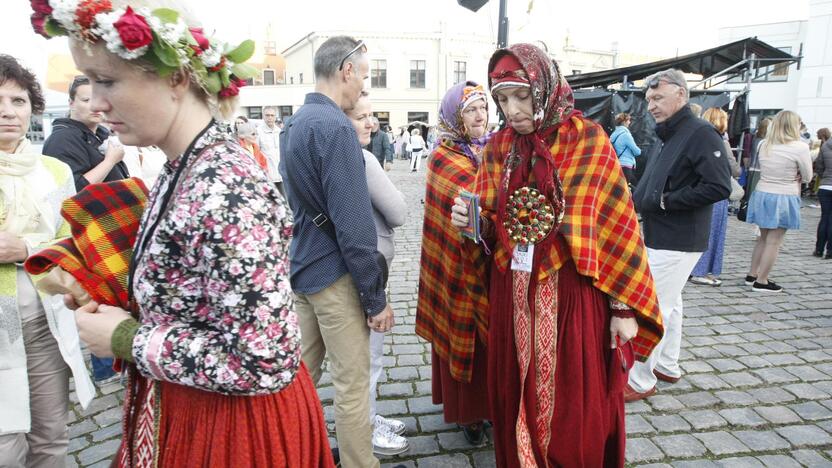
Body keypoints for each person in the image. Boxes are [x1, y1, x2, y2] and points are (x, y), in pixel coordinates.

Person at [30, 2, 334, 466]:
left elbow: (263, 358)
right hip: (191, 410)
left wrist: (127, 338)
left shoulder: (224, 184)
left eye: (107, 80)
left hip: (231, 432)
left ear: (176, 79)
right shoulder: (185, 164)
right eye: (90, 83)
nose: (95, 102)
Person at [451, 44, 664, 467]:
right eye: (502, 99)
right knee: (516, 395)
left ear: (544, 86)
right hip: (512, 295)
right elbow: (494, 225)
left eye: (521, 96)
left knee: (572, 404)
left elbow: (616, 227)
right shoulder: (498, 148)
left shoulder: (588, 140)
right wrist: (473, 222)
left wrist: (623, 308)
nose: (511, 110)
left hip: (574, 298)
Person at [279, 35, 395, 468]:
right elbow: (354, 225)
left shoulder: (294, 123)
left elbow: (297, 202)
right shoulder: (335, 128)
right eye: (362, 77)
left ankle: (290, 454)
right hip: (335, 276)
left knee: (299, 381)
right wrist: (375, 298)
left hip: (303, 267)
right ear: (346, 70)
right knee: (351, 385)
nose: (361, 88)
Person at [0, 53, 95, 468]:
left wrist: (25, 249)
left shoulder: (55, 170)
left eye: (18, 101)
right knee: (5, 444)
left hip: (44, 325)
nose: (7, 111)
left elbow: (73, 240)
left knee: (51, 435)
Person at [627, 69, 732, 401]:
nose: (652, 106)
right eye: (648, 100)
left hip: (679, 236)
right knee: (672, 304)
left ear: (682, 96)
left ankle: (640, 378)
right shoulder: (671, 132)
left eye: (658, 98)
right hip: (662, 232)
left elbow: (718, 186)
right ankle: (668, 365)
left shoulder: (700, 132)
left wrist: (665, 201)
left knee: (654, 306)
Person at [416, 81, 492, 446]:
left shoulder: (494, 149)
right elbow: (476, 198)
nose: (481, 116)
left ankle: (491, 406)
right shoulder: (444, 156)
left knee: (492, 344)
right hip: (457, 269)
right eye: (471, 110)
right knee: (468, 337)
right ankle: (470, 413)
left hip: (494, 265)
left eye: (483, 108)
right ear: (454, 118)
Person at [42, 74, 128, 383]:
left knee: (114, 298)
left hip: (112, 232)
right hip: (91, 235)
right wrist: (111, 160)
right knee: (97, 300)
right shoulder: (62, 139)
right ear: (71, 103)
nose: (95, 105)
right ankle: (106, 369)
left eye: (98, 98)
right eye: (85, 99)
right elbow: (71, 192)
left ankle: (117, 359)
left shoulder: (98, 134)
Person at [345, 91, 409, 456]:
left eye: (372, 116)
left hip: (360, 269)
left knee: (366, 356)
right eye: (361, 117)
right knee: (369, 356)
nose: (371, 123)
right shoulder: (364, 159)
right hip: (369, 271)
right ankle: (365, 428)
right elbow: (399, 211)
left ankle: (369, 417)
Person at [745, 110, 813, 292]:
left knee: (762, 238)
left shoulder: (764, 144)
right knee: (774, 242)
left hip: (762, 192)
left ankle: (752, 274)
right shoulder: (800, 147)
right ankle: (762, 280)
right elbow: (808, 176)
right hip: (784, 194)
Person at [688, 108, 742, 287]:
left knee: (700, 233)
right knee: (711, 233)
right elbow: (734, 169)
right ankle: (701, 271)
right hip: (715, 194)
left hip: (698, 192)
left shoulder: (694, 138)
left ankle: (694, 269)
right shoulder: (719, 141)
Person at [609, 112, 641, 187]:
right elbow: (637, 152)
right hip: (627, 166)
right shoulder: (626, 135)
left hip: (617, 165)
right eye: (628, 120)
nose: (629, 122)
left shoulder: (613, 135)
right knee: (631, 189)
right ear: (624, 122)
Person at [814, 128, 832, 259]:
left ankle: (819, 249)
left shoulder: (825, 145)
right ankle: (830, 251)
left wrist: (824, 176)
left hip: (825, 185)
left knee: (824, 217)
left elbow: (819, 165)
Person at [258, 106, 284, 195]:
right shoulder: (258, 132)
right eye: (267, 115)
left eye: (272, 115)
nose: (270, 118)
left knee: (284, 202)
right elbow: (256, 154)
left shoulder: (280, 131)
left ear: (275, 116)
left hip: (281, 175)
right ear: (263, 116)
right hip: (267, 176)